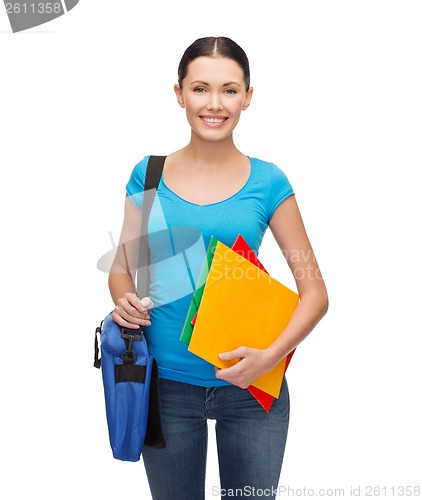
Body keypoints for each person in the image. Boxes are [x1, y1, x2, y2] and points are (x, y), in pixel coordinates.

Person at [108, 36, 329, 500]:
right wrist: (122, 299)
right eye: (200, 89)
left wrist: (269, 359)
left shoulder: (269, 181)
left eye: (229, 90)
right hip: (166, 388)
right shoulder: (147, 174)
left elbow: (316, 293)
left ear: (248, 96)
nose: (214, 103)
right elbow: (122, 268)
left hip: (251, 392)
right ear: (179, 94)